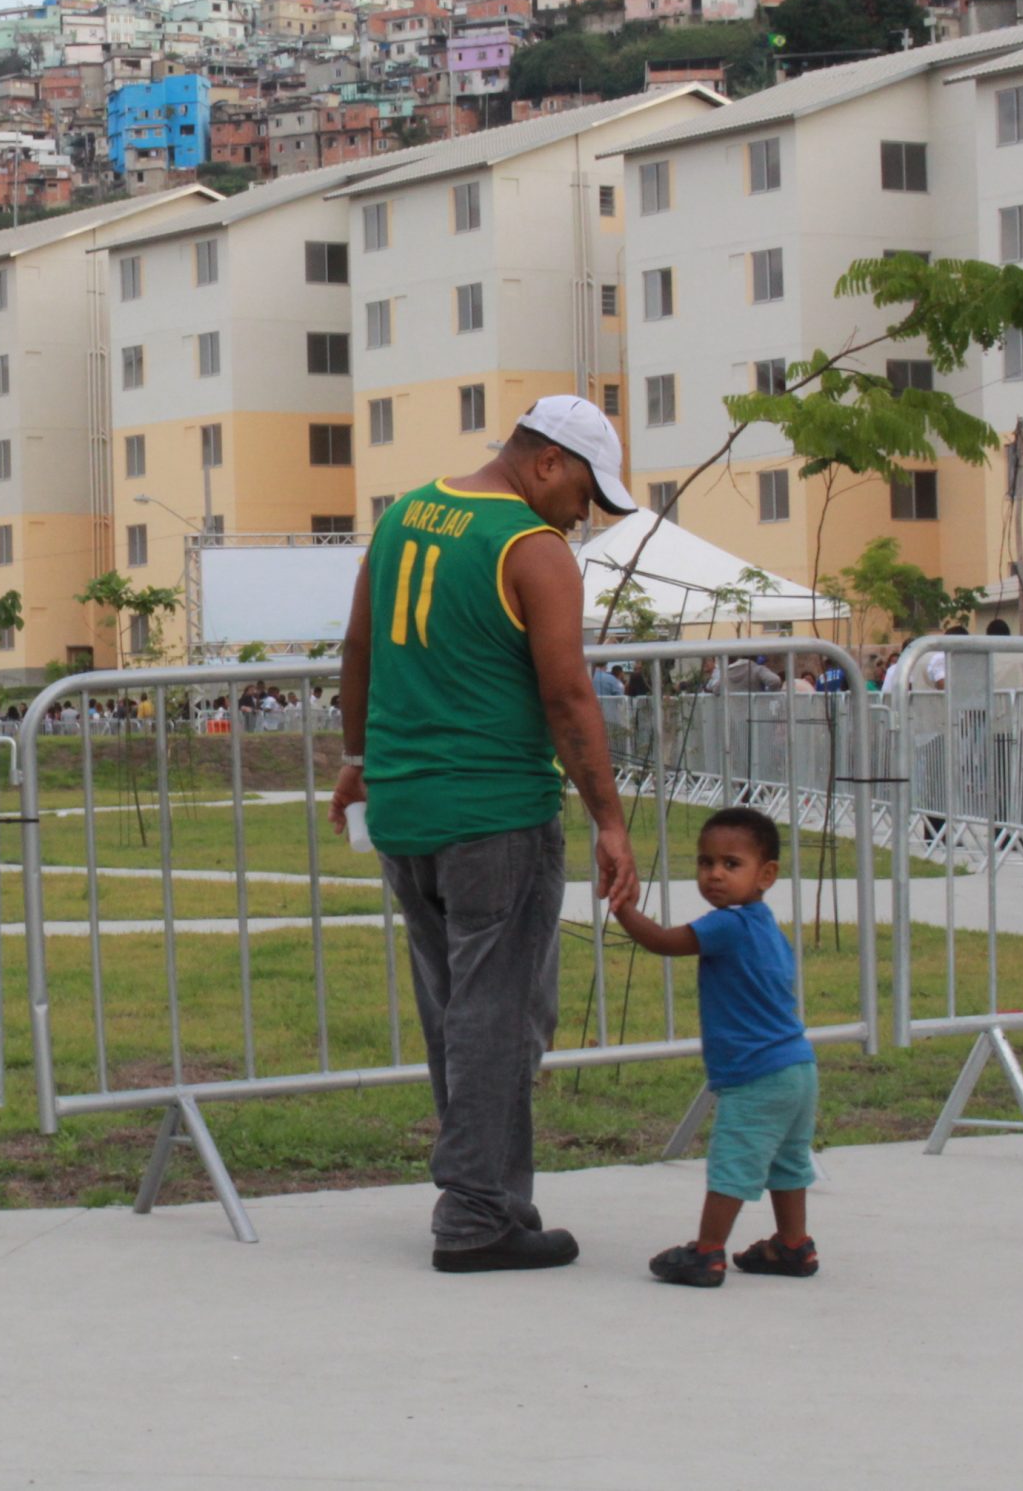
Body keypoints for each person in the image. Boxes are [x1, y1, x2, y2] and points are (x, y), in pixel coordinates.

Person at [332, 395, 641, 1273]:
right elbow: (569, 694)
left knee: (458, 1010)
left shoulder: (404, 519)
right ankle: (473, 1211)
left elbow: (358, 648)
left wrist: (356, 756)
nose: (584, 515)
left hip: (405, 810)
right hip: (497, 812)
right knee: (504, 1013)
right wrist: (610, 820)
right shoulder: (532, 550)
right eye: (585, 491)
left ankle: (499, 1200)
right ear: (547, 461)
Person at [609, 806, 821, 1288]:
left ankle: (706, 1254)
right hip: (797, 1069)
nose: (715, 875)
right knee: (788, 1162)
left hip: (757, 1075)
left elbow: (664, 942)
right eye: (706, 863)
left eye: (731, 864)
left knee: (733, 1162)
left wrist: (622, 907)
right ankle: (793, 1245)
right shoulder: (764, 923)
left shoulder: (728, 925)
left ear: (766, 874)